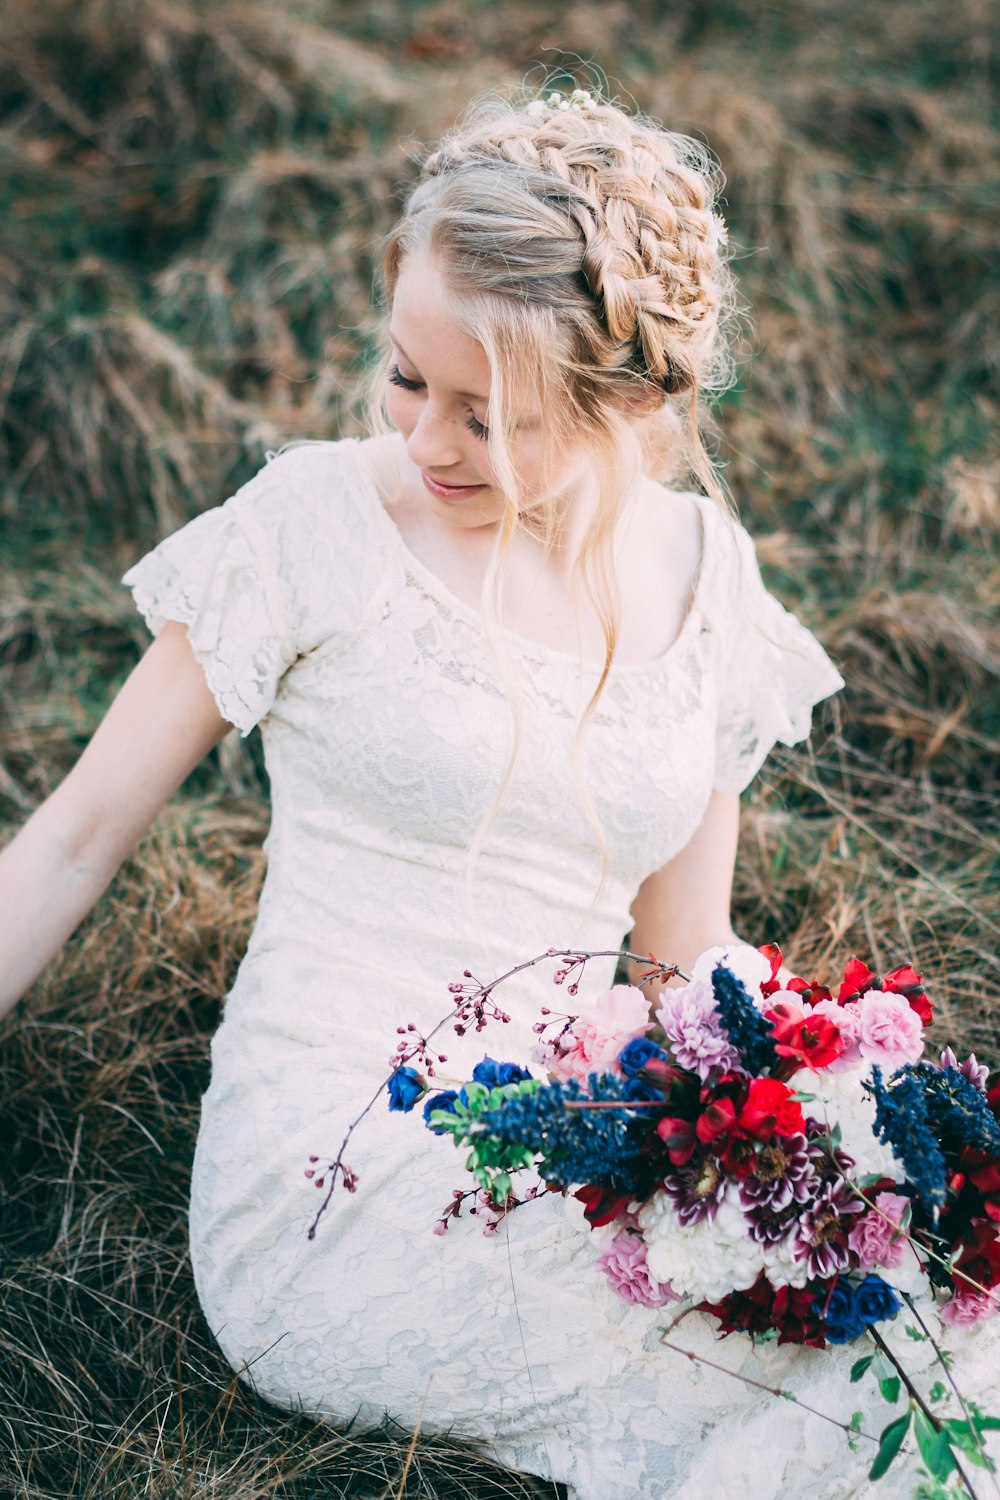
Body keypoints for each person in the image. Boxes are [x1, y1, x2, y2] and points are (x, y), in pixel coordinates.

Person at [4, 86, 990, 1499]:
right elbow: (73, 839)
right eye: (407, 378)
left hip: (582, 1140)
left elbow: (675, 966)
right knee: (824, 1380)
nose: (426, 442)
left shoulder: (706, 578)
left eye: (491, 412)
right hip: (336, 1178)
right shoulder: (313, 527)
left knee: (902, 1307)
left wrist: (803, 1144)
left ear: (629, 403)